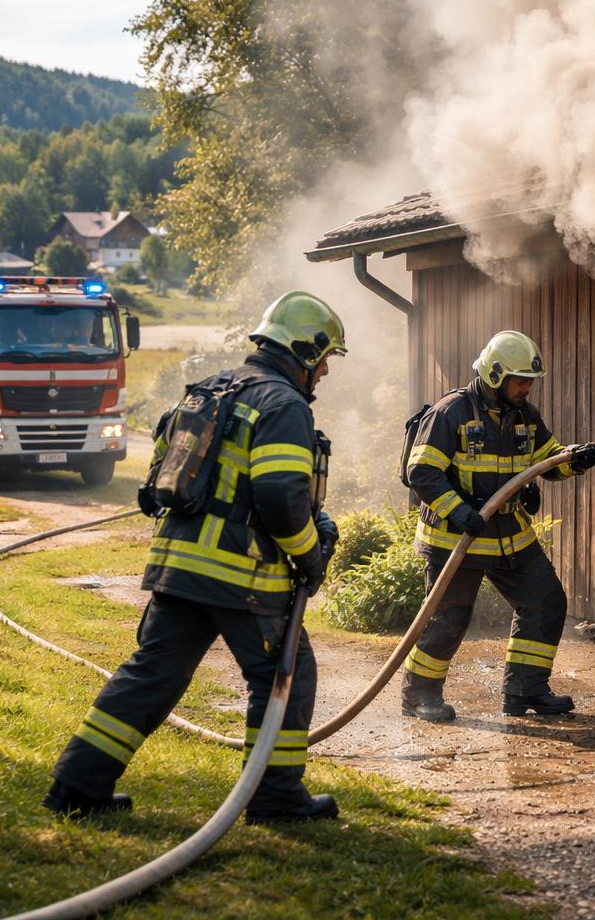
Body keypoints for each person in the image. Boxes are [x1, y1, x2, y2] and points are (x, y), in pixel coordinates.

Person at [43, 291, 346, 822]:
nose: (323, 373)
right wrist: (310, 555)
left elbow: (161, 472)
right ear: (303, 351)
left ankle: (77, 787)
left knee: (153, 674)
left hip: (178, 565)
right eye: (322, 360)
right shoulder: (283, 405)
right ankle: (274, 798)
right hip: (239, 572)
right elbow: (280, 496)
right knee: (286, 673)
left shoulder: (207, 391)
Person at [401, 330, 595, 722]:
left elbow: (548, 461)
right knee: (450, 617)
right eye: (520, 381)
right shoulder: (451, 412)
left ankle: (525, 690)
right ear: (495, 375)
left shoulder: (526, 416)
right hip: (455, 537)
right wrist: (460, 512)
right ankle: (419, 695)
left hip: (509, 535)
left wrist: (575, 459)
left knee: (545, 601)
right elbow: (422, 473)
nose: (527, 388)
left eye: (530, 382)